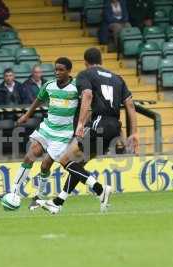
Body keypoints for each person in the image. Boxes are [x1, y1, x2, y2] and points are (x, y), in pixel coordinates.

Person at [36, 48, 139, 214]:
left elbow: (88, 96)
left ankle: (100, 189)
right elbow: (130, 105)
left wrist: (80, 124)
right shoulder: (117, 78)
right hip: (114, 128)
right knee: (78, 165)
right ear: (101, 60)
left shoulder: (86, 75)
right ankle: (58, 202)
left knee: (64, 160)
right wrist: (134, 132)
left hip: (99, 123)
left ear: (85, 61)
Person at [9, 57, 78, 209]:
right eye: (56, 69)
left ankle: (39, 196)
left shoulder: (76, 87)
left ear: (69, 71)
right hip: (47, 129)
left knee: (45, 165)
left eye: (61, 70)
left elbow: (86, 102)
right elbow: (38, 100)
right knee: (30, 155)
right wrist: (27, 115)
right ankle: (13, 191)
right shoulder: (49, 85)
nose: (57, 72)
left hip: (63, 134)